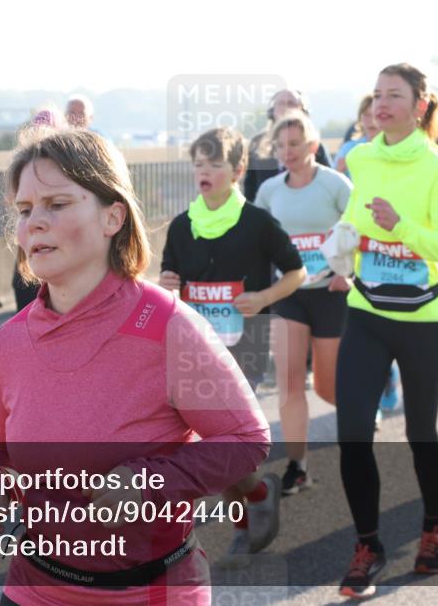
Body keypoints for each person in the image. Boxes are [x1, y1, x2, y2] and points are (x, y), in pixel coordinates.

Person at [0, 129, 270, 606]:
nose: (35, 224)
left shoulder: (168, 326)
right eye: (25, 211)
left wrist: (147, 482)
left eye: (57, 204)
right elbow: (0, 454)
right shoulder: (8, 342)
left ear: (113, 216)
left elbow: (247, 441)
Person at [328, 63, 438, 599]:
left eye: (395, 95)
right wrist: (344, 243)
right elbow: (359, 222)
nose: (382, 104)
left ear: (420, 105)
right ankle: (369, 546)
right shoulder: (360, 158)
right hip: (367, 313)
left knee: (420, 433)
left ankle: (434, 524)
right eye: (377, 95)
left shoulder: (436, 170)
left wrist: (399, 228)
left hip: (425, 321)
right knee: (353, 432)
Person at [159, 126, 305, 567]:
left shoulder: (258, 223)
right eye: (198, 164)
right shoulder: (183, 226)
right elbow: (169, 281)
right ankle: (259, 492)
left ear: (238, 170)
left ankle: (243, 526)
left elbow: (296, 273)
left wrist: (262, 298)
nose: (204, 172)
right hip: (196, 345)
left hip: (248, 340)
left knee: (226, 438)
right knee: (210, 438)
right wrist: (167, 285)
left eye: (214, 164)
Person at [255, 112, 352, 494]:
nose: (287, 152)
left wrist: (348, 272)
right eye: (281, 146)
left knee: (329, 388)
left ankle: (357, 428)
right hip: (290, 294)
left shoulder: (335, 185)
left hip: (330, 293)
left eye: (295, 144)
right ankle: (298, 464)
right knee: (290, 381)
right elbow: (259, 238)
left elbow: (359, 228)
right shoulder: (270, 190)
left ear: (312, 146)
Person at [12, 108, 66, 312]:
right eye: (25, 210)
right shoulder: (23, 164)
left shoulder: (73, 166)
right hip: (30, 255)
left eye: (58, 205)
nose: (36, 220)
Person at [244, 89, 331, 202]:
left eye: (291, 103)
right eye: (280, 103)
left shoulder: (313, 143)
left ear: (303, 111)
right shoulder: (257, 143)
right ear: (272, 110)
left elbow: (328, 180)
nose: (286, 108)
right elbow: (249, 185)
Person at [335, 94, 377, 174]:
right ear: (360, 118)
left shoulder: (394, 147)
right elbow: (333, 183)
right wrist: (339, 171)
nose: (371, 120)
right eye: (366, 115)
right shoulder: (347, 149)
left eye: (374, 115)